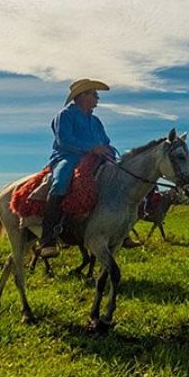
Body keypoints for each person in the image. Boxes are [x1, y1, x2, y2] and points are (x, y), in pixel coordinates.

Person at [37, 79, 117, 259]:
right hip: (68, 157)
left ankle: (120, 230)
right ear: (82, 96)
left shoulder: (96, 120)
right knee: (61, 180)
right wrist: (91, 147)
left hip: (96, 158)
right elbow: (64, 140)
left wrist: (106, 149)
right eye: (94, 94)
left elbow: (105, 141)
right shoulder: (65, 115)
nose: (97, 97)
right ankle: (48, 239)